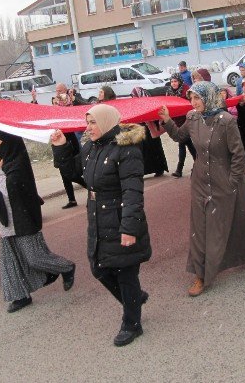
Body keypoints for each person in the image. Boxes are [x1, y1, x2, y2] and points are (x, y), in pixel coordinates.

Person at [51, 104, 151, 347]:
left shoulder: (127, 149)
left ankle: (132, 323)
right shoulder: (91, 147)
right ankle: (134, 299)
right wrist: (62, 147)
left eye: (93, 122)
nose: (88, 127)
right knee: (99, 269)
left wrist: (128, 228)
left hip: (119, 219)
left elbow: (133, 192)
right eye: (88, 122)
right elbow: (76, 173)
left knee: (126, 273)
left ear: (106, 122)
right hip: (97, 218)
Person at [159, 81, 245, 296]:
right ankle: (202, 274)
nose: (194, 102)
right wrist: (167, 121)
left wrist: (233, 181)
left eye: (198, 98)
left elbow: (238, 154)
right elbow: (180, 137)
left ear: (209, 97)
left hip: (225, 180)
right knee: (203, 226)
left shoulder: (226, 121)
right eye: (192, 98)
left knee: (237, 219)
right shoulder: (192, 118)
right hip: (200, 181)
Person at [0, 114, 76, 312]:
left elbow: (10, 191)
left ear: (9, 142)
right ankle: (20, 296)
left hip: (22, 217)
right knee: (11, 262)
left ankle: (65, 267)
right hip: (4, 219)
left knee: (34, 257)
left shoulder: (18, 163)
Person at [50, 83, 87, 208]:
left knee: (73, 173)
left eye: (60, 90)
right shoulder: (55, 102)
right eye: (56, 90)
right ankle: (71, 199)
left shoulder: (73, 100)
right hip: (59, 141)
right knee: (63, 172)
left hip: (71, 142)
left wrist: (73, 98)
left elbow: (85, 107)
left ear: (66, 91)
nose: (58, 93)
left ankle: (91, 188)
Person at [129, 87, 169, 177]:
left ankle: (159, 168)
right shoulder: (135, 104)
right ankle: (145, 170)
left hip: (151, 129)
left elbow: (154, 113)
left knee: (155, 149)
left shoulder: (147, 100)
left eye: (134, 96)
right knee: (144, 151)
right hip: (142, 130)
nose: (133, 98)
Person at [165, 73, 196, 178]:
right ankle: (197, 164)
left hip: (187, 120)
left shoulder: (186, 90)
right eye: (172, 81)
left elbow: (191, 105)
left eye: (175, 81)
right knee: (187, 144)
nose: (173, 83)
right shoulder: (169, 92)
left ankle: (180, 169)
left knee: (183, 144)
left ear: (180, 81)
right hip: (177, 122)